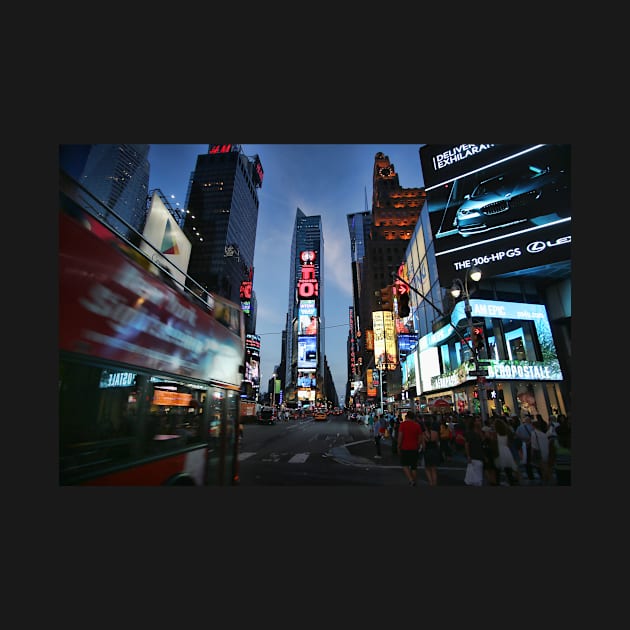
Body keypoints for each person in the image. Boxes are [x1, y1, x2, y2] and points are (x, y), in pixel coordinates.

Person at [397, 410, 422, 486]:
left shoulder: (403, 425)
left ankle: (411, 480)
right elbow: (420, 438)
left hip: (405, 448)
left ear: (406, 416)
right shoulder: (417, 425)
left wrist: (398, 446)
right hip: (414, 448)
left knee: (405, 465)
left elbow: (400, 437)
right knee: (414, 466)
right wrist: (417, 445)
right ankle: (414, 480)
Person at [493, 417, 521, 485]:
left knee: (497, 470)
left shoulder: (495, 434)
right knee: (508, 469)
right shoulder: (506, 433)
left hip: (499, 450)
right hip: (506, 450)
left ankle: (497, 483)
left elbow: (494, 443)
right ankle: (512, 482)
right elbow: (509, 442)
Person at [463, 416, 485, 486]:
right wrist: (468, 455)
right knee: (477, 474)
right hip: (474, 455)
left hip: (481, 453)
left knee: (479, 472)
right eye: (477, 421)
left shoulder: (481, 432)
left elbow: (483, 440)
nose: (479, 422)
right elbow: (467, 445)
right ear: (474, 423)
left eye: (480, 421)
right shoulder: (470, 433)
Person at [530, 417, 551, 484]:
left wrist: (532, 452)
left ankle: (544, 478)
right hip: (545, 450)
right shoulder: (543, 433)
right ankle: (548, 477)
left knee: (541, 466)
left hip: (538, 451)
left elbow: (533, 445)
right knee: (545, 465)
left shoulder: (534, 434)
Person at [421, 414, 440, 486]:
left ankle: (431, 482)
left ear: (424, 425)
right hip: (434, 451)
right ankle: (434, 484)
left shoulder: (423, 434)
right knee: (434, 469)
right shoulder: (435, 433)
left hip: (427, 452)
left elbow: (423, 446)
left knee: (427, 469)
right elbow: (438, 443)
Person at [515, 415, 535, 481]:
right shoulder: (532, 427)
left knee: (526, 459)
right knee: (533, 458)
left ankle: (530, 474)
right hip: (532, 444)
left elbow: (517, 435)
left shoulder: (520, 427)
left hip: (524, 444)